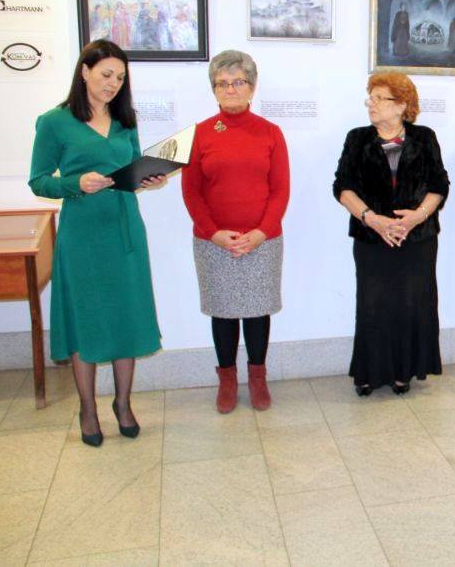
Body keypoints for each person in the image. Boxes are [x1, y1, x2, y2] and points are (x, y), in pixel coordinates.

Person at [28, 40, 165, 447]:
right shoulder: (54, 122)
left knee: (126, 314)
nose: (113, 84)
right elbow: (39, 181)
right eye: (106, 74)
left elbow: (131, 169)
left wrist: (148, 178)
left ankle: (123, 403)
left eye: (120, 78)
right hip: (82, 233)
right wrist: (75, 182)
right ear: (84, 71)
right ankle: (87, 409)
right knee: (84, 317)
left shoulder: (125, 121)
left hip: (125, 229)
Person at [181, 50, 290, 413]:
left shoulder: (271, 133)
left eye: (238, 82)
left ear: (252, 87)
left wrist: (261, 232)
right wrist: (213, 233)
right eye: (222, 83)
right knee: (223, 312)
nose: (230, 89)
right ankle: (226, 380)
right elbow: (192, 192)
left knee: (257, 312)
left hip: (262, 241)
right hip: (214, 243)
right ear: (214, 89)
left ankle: (258, 378)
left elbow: (280, 191)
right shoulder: (199, 134)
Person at [333, 72, 449, 395]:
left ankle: (404, 371)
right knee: (373, 304)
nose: (371, 104)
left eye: (379, 99)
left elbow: (440, 184)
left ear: (401, 105)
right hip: (372, 238)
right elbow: (342, 187)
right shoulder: (357, 139)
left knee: (411, 304)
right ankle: (369, 373)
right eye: (370, 98)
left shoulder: (424, 137)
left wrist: (416, 217)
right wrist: (373, 220)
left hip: (417, 239)